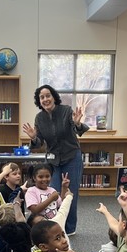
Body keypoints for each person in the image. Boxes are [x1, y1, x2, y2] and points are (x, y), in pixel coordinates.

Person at [22, 84, 89, 235]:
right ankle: (56, 225)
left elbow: (77, 129)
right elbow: (39, 143)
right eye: (42, 97)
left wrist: (78, 123)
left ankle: (69, 228)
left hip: (71, 156)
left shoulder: (66, 111)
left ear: (54, 97)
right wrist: (33, 138)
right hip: (53, 161)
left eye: (48, 95)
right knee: (53, 192)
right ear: (39, 101)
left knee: (70, 193)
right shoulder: (39, 118)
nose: (45, 99)